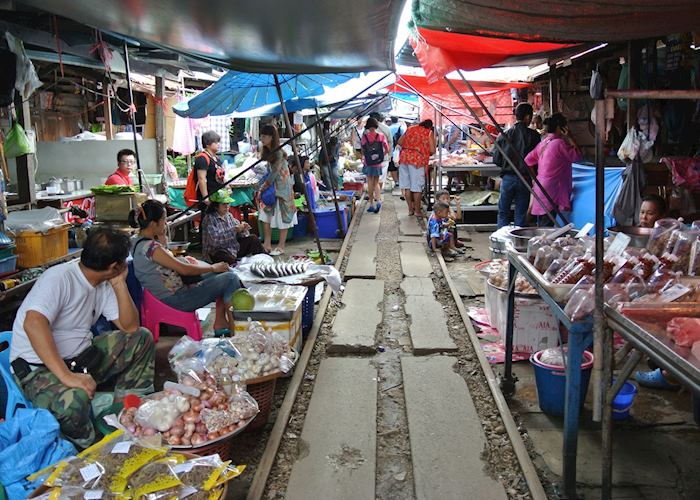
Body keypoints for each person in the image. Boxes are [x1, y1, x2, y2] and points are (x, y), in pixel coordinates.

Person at [10, 227, 154, 448]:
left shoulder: (104, 282)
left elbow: (131, 326)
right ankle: (89, 445)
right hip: (38, 369)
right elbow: (34, 323)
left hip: (81, 359)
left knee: (141, 339)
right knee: (74, 401)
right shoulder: (59, 278)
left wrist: (119, 284)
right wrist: (68, 376)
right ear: (115, 266)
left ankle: (128, 412)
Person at [130, 200, 240, 337]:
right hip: (174, 299)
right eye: (163, 220)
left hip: (167, 293)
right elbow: (184, 270)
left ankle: (220, 323)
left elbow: (167, 259)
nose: (165, 223)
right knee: (230, 278)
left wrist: (162, 237)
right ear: (153, 224)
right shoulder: (151, 248)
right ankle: (236, 332)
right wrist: (212, 267)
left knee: (225, 273)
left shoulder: (137, 240)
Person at [524, 113, 582, 227]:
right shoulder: (560, 143)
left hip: (541, 185)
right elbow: (578, 156)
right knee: (548, 226)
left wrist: (534, 179)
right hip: (553, 189)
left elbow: (528, 161)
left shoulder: (543, 143)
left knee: (543, 223)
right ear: (560, 128)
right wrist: (570, 137)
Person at [493, 103, 542, 228]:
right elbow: (538, 160)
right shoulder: (534, 135)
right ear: (527, 117)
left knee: (503, 212)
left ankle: (502, 241)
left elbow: (497, 160)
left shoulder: (503, 135)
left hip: (508, 178)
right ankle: (517, 242)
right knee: (520, 213)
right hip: (525, 178)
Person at [257, 124, 297, 255]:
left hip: (281, 189)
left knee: (282, 217)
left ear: (271, 137)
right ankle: (267, 244)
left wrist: (263, 187)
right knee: (265, 216)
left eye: (264, 136)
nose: (262, 138)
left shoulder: (278, 152)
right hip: (271, 188)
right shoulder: (267, 152)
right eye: (261, 136)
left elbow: (274, 173)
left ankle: (281, 246)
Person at [202, 189, 266, 265]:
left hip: (233, 248)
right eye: (223, 204)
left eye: (228, 204)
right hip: (217, 252)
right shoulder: (209, 219)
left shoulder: (229, 215)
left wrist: (243, 229)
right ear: (215, 206)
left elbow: (241, 235)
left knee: (253, 239)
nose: (227, 206)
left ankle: (265, 260)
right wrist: (234, 230)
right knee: (228, 259)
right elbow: (215, 241)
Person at [398, 119, 436, 217]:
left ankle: (410, 210)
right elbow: (432, 150)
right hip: (417, 160)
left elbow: (400, 142)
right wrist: (422, 149)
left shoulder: (410, 128)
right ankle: (417, 211)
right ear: (430, 126)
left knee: (407, 186)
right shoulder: (429, 132)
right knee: (417, 187)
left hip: (404, 158)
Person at [361, 117, 390, 213]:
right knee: (377, 182)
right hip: (378, 163)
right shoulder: (381, 136)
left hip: (368, 163)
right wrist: (380, 157)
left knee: (369, 182)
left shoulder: (365, 137)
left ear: (368, 126)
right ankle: (378, 201)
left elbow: (363, 150)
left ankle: (371, 204)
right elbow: (387, 149)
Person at [195, 130, 225, 205]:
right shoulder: (202, 158)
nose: (218, 144)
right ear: (207, 144)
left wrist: (227, 186)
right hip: (209, 197)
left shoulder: (216, 158)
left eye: (218, 142)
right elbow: (201, 178)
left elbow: (221, 176)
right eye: (215, 142)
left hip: (218, 195)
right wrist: (205, 197)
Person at [369, 112, 394, 198]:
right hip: (384, 157)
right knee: (381, 177)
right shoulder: (386, 128)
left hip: (371, 158)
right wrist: (389, 154)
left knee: (372, 177)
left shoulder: (367, 130)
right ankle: (377, 195)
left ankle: (373, 195)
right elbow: (390, 142)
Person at [388, 117, 406, 188]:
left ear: (391, 120)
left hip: (391, 151)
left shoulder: (388, 128)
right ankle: (401, 180)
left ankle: (396, 181)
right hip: (401, 151)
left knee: (392, 167)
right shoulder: (402, 128)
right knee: (401, 167)